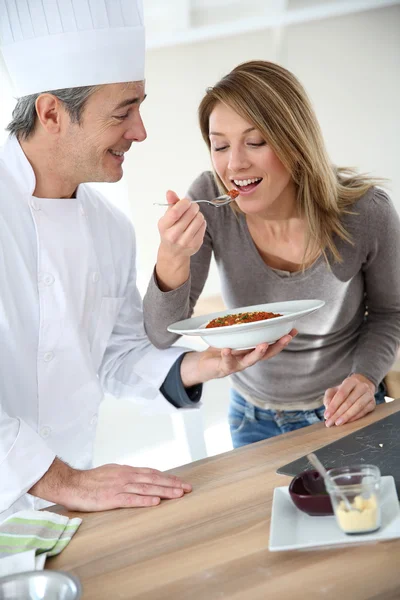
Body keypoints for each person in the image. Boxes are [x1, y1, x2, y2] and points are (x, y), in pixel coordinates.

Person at [0, 7, 294, 522]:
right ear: (51, 114)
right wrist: (65, 480)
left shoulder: (109, 227)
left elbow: (117, 354)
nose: (140, 131)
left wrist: (209, 362)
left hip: (66, 514)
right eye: (123, 111)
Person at [143, 60, 400, 449]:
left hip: (344, 409)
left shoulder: (367, 213)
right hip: (251, 417)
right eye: (220, 145)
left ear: (295, 142)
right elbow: (161, 335)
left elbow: (389, 313)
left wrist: (365, 378)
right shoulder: (209, 203)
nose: (235, 164)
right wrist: (171, 255)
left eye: (256, 141)